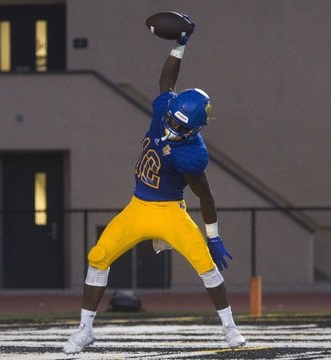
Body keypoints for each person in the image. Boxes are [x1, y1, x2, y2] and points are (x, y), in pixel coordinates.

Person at [63, 13, 246, 354]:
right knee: (98, 255)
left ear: (196, 131)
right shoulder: (166, 108)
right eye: (173, 121)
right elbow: (166, 83)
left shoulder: (193, 155)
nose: (173, 129)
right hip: (138, 205)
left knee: (206, 265)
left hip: (169, 212)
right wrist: (179, 46)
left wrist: (214, 235)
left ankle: (230, 329)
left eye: (181, 128)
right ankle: (85, 330)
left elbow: (205, 194)